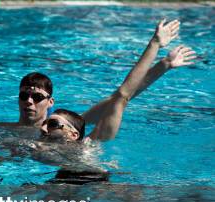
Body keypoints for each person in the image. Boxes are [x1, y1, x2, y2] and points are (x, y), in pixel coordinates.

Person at [40, 19, 196, 143]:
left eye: (51, 124)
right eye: (23, 95)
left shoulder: (87, 145)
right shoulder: (34, 141)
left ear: (74, 134)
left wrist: (155, 46)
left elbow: (122, 96)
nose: (44, 129)